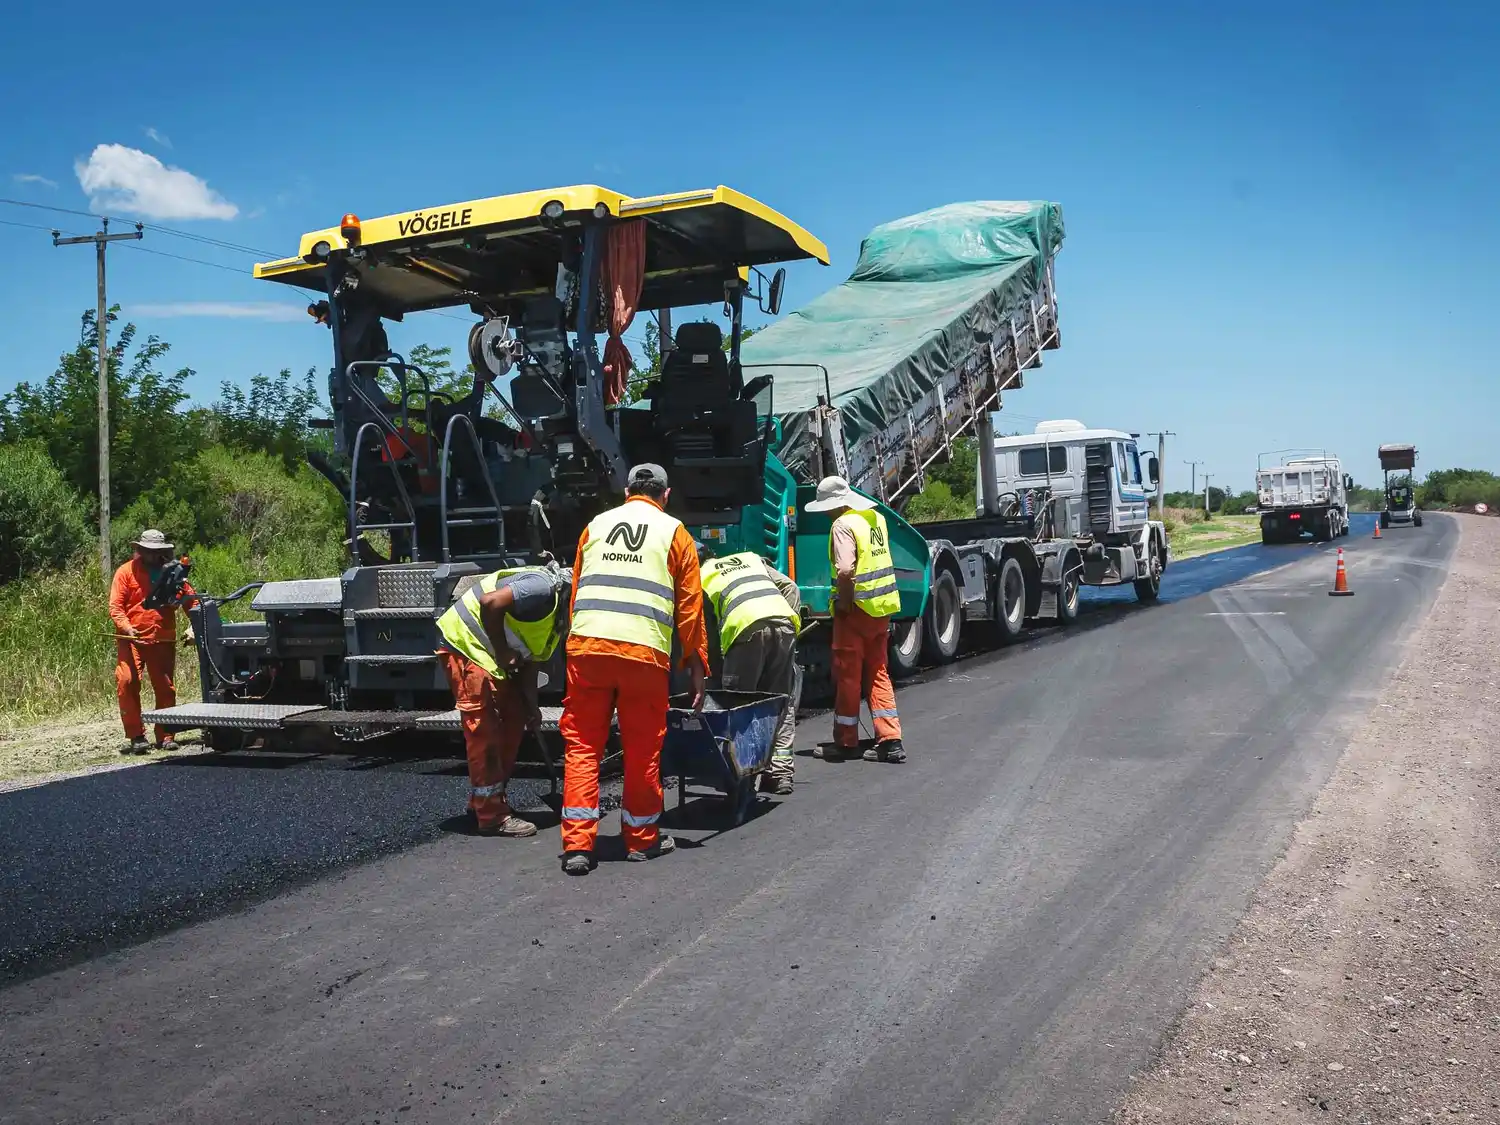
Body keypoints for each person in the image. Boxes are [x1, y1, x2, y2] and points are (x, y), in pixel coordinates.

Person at [559, 464, 708, 875]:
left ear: (627, 492)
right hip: (643, 653)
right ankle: (641, 840)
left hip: (588, 648)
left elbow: (577, 590)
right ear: (665, 495)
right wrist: (696, 664)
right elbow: (690, 608)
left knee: (583, 746)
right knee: (643, 749)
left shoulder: (595, 526)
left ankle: (578, 846)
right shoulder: (675, 532)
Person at [436, 564, 571, 837]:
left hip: (491, 655)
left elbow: (533, 658)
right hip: (466, 645)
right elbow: (490, 602)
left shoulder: (559, 618)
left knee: (515, 718)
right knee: (484, 731)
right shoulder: (542, 588)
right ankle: (491, 816)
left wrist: (531, 706)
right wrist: (502, 651)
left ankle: (487, 801)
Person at [803, 476, 905, 763]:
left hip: (855, 610)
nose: (825, 513)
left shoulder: (842, 525)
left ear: (835, 505)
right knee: (878, 671)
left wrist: (844, 603)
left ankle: (846, 742)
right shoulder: (874, 518)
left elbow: (846, 569)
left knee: (847, 675)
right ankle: (890, 740)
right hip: (881, 608)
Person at [699, 547, 802, 795]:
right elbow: (791, 588)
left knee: (739, 705)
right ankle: (780, 773)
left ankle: (742, 779)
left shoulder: (701, 577)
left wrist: (714, 673)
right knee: (781, 701)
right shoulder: (749, 559)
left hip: (745, 631)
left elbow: (707, 634)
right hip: (783, 623)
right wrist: (792, 629)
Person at [108, 529, 197, 755]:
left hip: (161, 638)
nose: (151, 555)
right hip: (131, 639)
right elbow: (116, 607)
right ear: (140, 549)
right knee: (126, 682)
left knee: (165, 688)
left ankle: (166, 736)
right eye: (147, 550)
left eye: (155, 551)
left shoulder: (174, 572)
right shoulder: (125, 572)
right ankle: (136, 736)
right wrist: (127, 627)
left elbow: (191, 601)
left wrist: (194, 626)